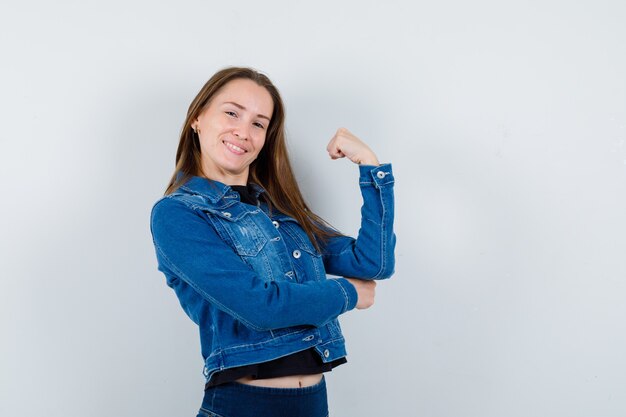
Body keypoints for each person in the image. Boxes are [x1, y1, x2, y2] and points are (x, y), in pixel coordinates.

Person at [150, 67, 396, 417]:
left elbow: (374, 263)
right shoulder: (178, 214)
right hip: (244, 407)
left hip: (312, 405)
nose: (243, 131)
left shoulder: (280, 211)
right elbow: (259, 307)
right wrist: (350, 293)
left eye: (259, 123)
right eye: (232, 112)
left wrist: (371, 168)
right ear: (198, 118)